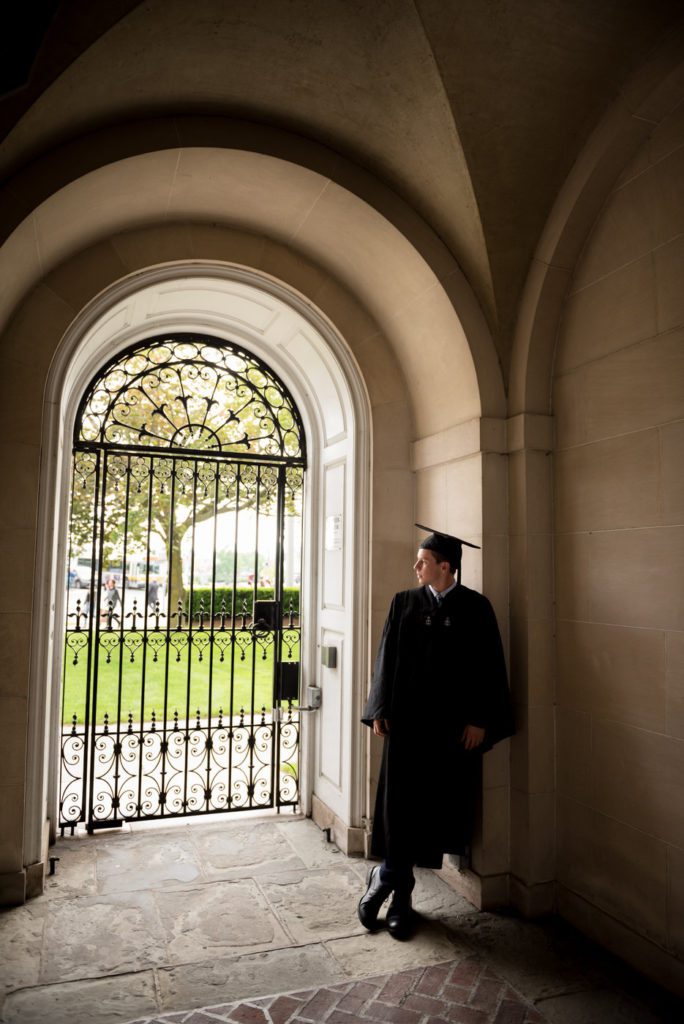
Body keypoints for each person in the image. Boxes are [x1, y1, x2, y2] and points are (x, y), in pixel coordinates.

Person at [358, 524, 514, 939]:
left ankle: (388, 879)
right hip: (407, 728)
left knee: (431, 811)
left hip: (450, 732)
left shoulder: (476, 608)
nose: (416, 567)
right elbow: (385, 659)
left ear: (446, 567)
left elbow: (490, 668)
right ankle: (399, 892)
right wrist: (378, 709)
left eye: (423, 562)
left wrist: (481, 719)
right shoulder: (403, 603)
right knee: (400, 808)